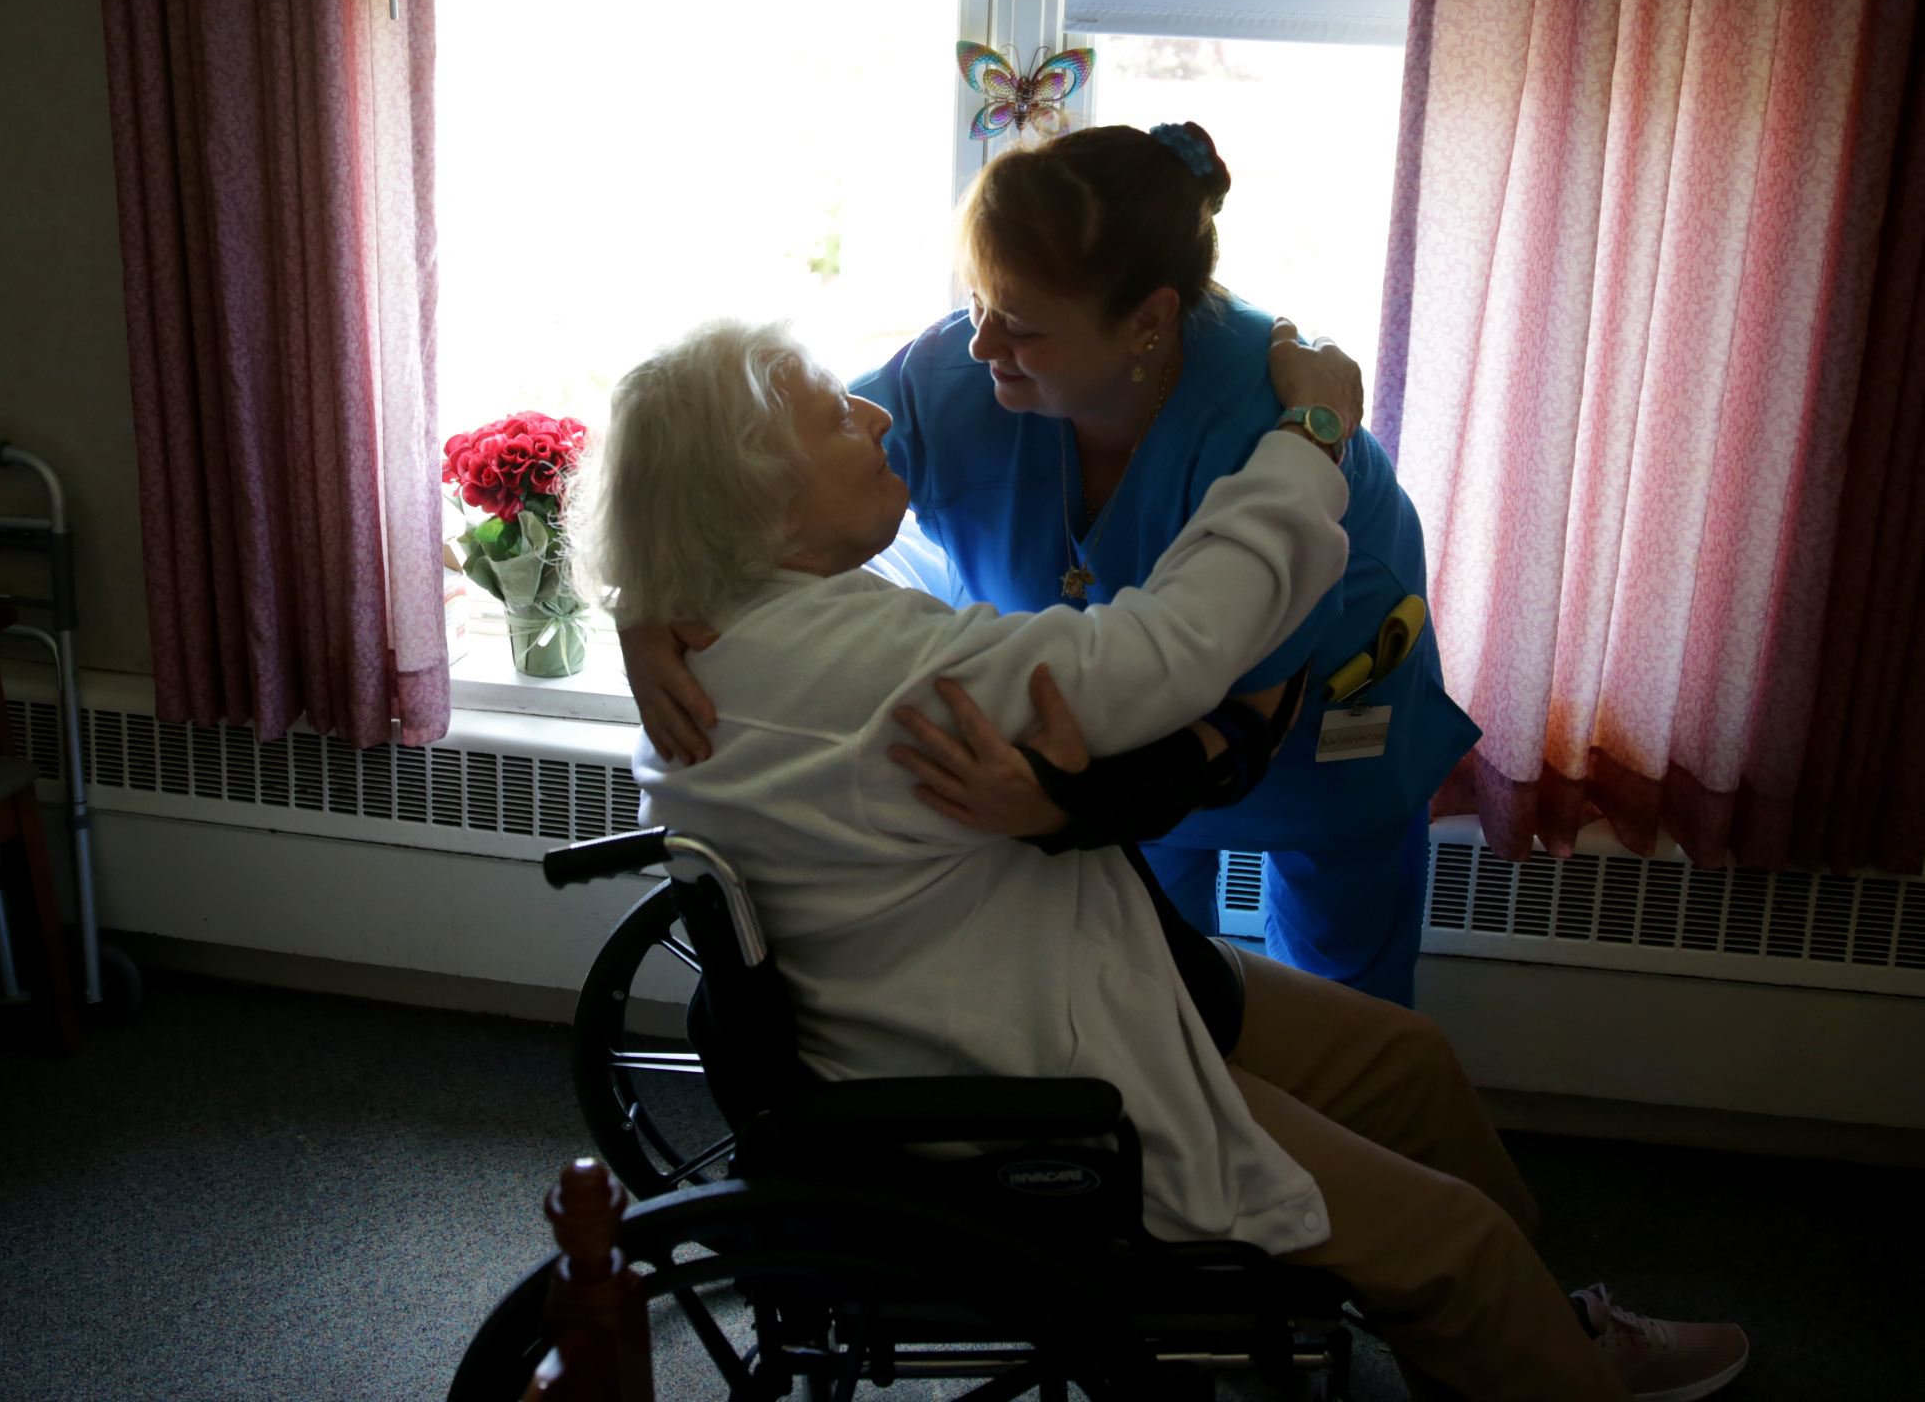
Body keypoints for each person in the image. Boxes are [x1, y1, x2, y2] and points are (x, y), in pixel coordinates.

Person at [594, 317, 1747, 1402]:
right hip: (1033, 1066)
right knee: (1456, 1242)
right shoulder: (842, 664)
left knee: (1407, 1065)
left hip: (1050, 969)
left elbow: (725, 561)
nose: (876, 414)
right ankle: (1532, 1341)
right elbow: (1175, 645)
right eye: (832, 419)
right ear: (759, 508)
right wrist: (1313, 436)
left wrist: (633, 599)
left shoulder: (727, 634)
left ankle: (1529, 1340)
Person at [626, 122, 1477, 1007]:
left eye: (1022, 326)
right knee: (1158, 970)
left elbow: (1242, 722)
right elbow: (755, 486)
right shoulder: (954, 373)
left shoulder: (1270, 428)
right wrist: (648, 597)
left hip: (1313, 725)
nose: (981, 343)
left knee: (1342, 986)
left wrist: (1073, 805)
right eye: (979, 302)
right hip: (1108, 718)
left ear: (1147, 323)